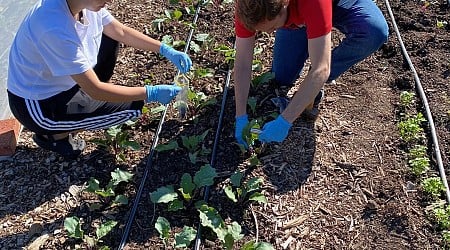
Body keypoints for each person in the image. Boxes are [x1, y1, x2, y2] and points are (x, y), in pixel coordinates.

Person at [7, 0, 192, 159]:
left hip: (64, 83)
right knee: (130, 107)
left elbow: (120, 31)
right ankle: (54, 136)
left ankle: (80, 105)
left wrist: (165, 50)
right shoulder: (54, 27)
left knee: (109, 37)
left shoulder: (81, 5)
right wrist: (150, 93)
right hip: (40, 106)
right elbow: (95, 89)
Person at [233, 0, 389, 147]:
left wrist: (284, 121)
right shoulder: (248, 6)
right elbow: (242, 63)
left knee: (374, 32)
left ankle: (314, 77)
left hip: (338, 4)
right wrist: (240, 117)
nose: (267, 33)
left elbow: (321, 69)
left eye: (272, 27)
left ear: (284, 5)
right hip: (300, 12)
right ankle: (311, 73)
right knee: (282, 76)